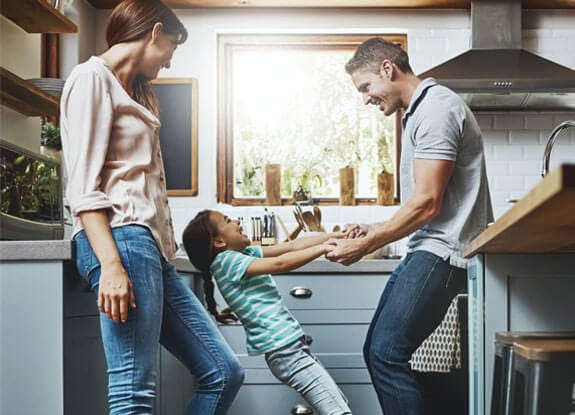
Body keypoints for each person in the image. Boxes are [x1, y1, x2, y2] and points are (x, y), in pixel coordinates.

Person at [59, 1, 243, 413]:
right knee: (133, 388)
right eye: (171, 47)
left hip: (151, 249)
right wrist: (110, 266)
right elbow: (84, 188)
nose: (171, 59)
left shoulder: (130, 90)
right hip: (120, 240)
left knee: (223, 372)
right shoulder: (91, 79)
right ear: (154, 31)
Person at [326, 37, 493, 415]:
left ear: (388, 69)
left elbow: (428, 202)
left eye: (366, 87)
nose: (366, 99)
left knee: (386, 354)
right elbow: (425, 202)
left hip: (444, 251)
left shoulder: (436, 109)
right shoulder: (419, 111)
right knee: (379, 351)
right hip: (429, 247)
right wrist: (372, 230)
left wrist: (368, 244)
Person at [182, 210, 353, 415]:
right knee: (337, 410)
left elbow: (291, 246)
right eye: (228, 221)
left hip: (289, 350)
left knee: (338, 405)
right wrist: (323, 248)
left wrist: (337, 236)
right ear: (219, 241)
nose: (237, 221)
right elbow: (279, 263)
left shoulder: (242, 255)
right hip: (285, 351)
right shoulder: (226, 261)